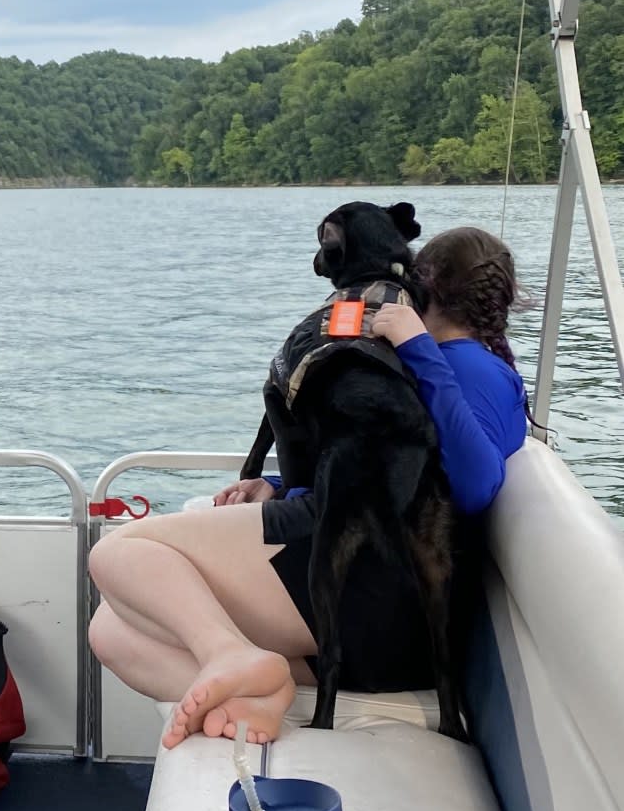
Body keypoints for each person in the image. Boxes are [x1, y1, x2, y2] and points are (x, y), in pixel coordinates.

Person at [88, 224, 528, 750]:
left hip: (374, 591)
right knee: (110, 630)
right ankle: (258, 688)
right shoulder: (483, 369)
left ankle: (226, 652)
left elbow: (475, 485)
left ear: (420, 290)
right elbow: (391, 460)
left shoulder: (461, 367)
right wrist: (277, 486)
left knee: (118, 553)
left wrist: (416, 345)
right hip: (375, 606)